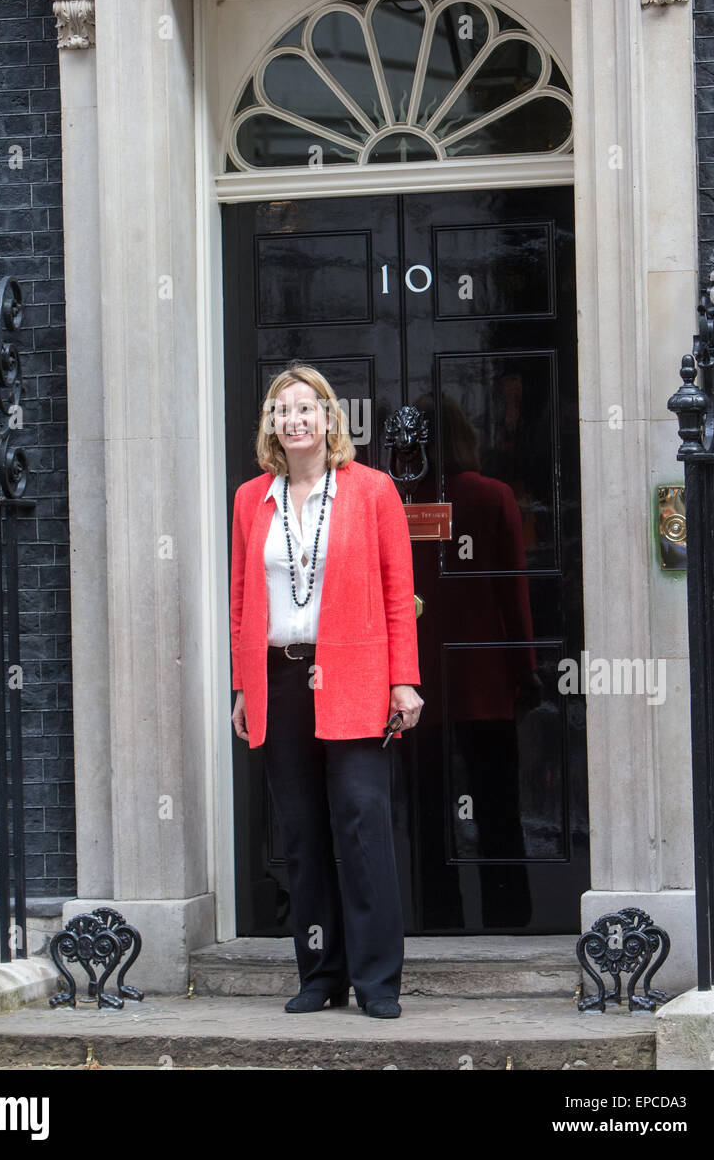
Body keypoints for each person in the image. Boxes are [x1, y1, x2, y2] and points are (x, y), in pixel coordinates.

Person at [229, 363, 423, 1019]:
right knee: (301, 835)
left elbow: (399, 591)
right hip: (278, 675)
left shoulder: (371, 491)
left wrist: (403, 679)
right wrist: (242, 686)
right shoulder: (250, 498)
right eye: (283, 409)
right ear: (272, 425)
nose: (295, 419)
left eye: (307, 408)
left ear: (328, 419)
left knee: (362, 826)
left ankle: (376, 982)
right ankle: (318, 974)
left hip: (356, 674)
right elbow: (240, 602)